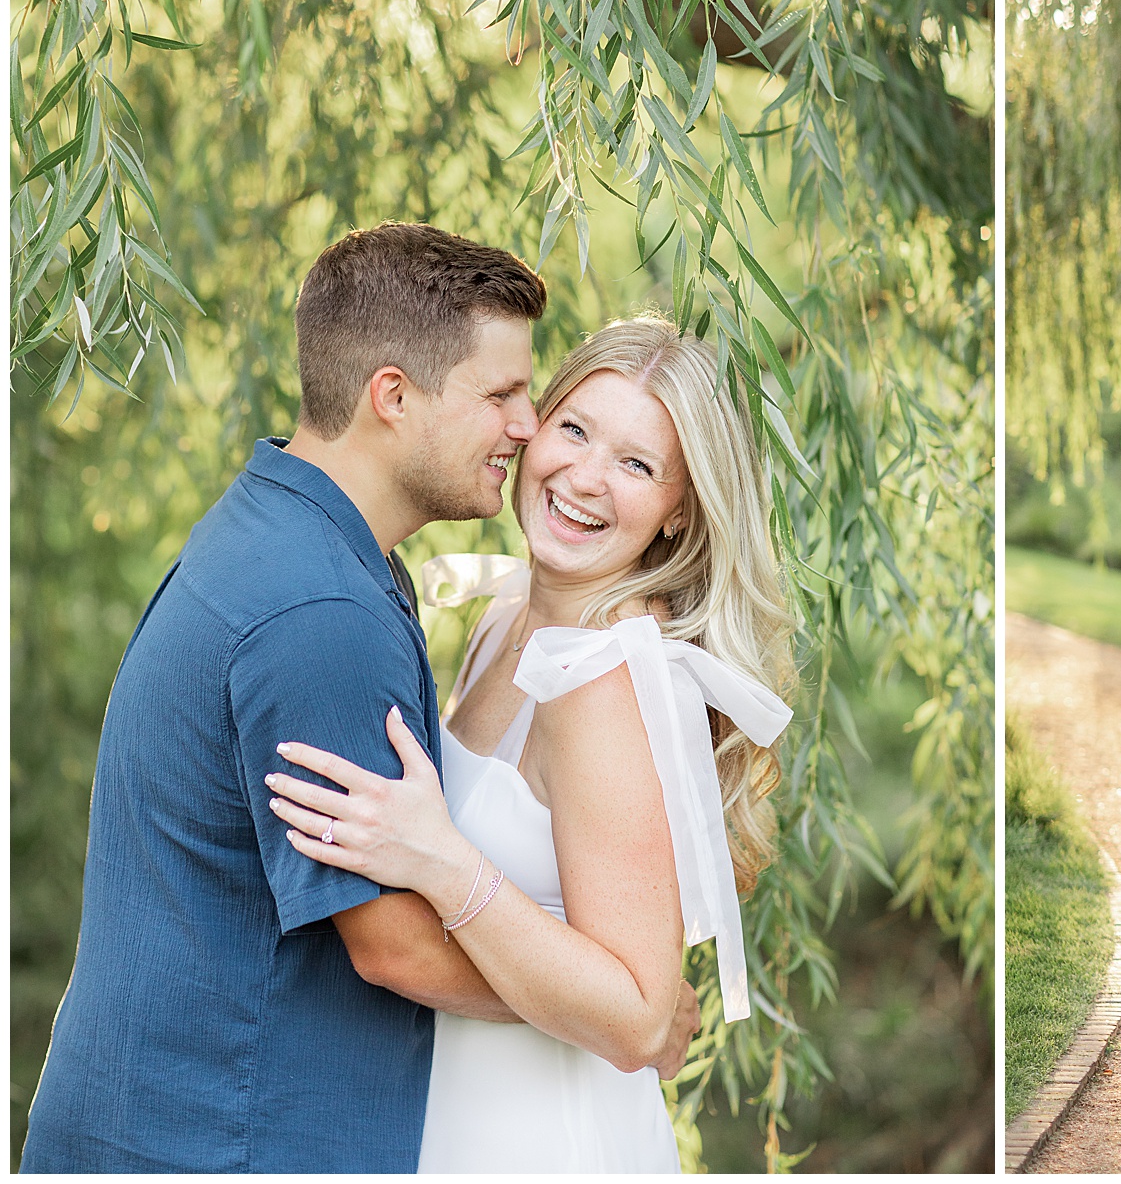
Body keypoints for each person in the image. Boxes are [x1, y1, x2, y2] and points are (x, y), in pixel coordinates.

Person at [22, 223, 591, 1171]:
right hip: (217, 1144)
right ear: (393, 397)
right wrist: (612, 1012)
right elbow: (393, 948)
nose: (528, 426)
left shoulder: (284, 530)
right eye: (502, 394)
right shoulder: (319, 610)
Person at [263, 316, 795, 1172]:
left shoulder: (602, 682)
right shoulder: (510, 617)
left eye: (637, 464)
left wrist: (441, 861)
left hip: (546, 1136)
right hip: (456, 1107)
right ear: (531, 427)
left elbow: (635, 1018)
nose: (584, 477)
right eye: (575, 429)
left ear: (676, 513)